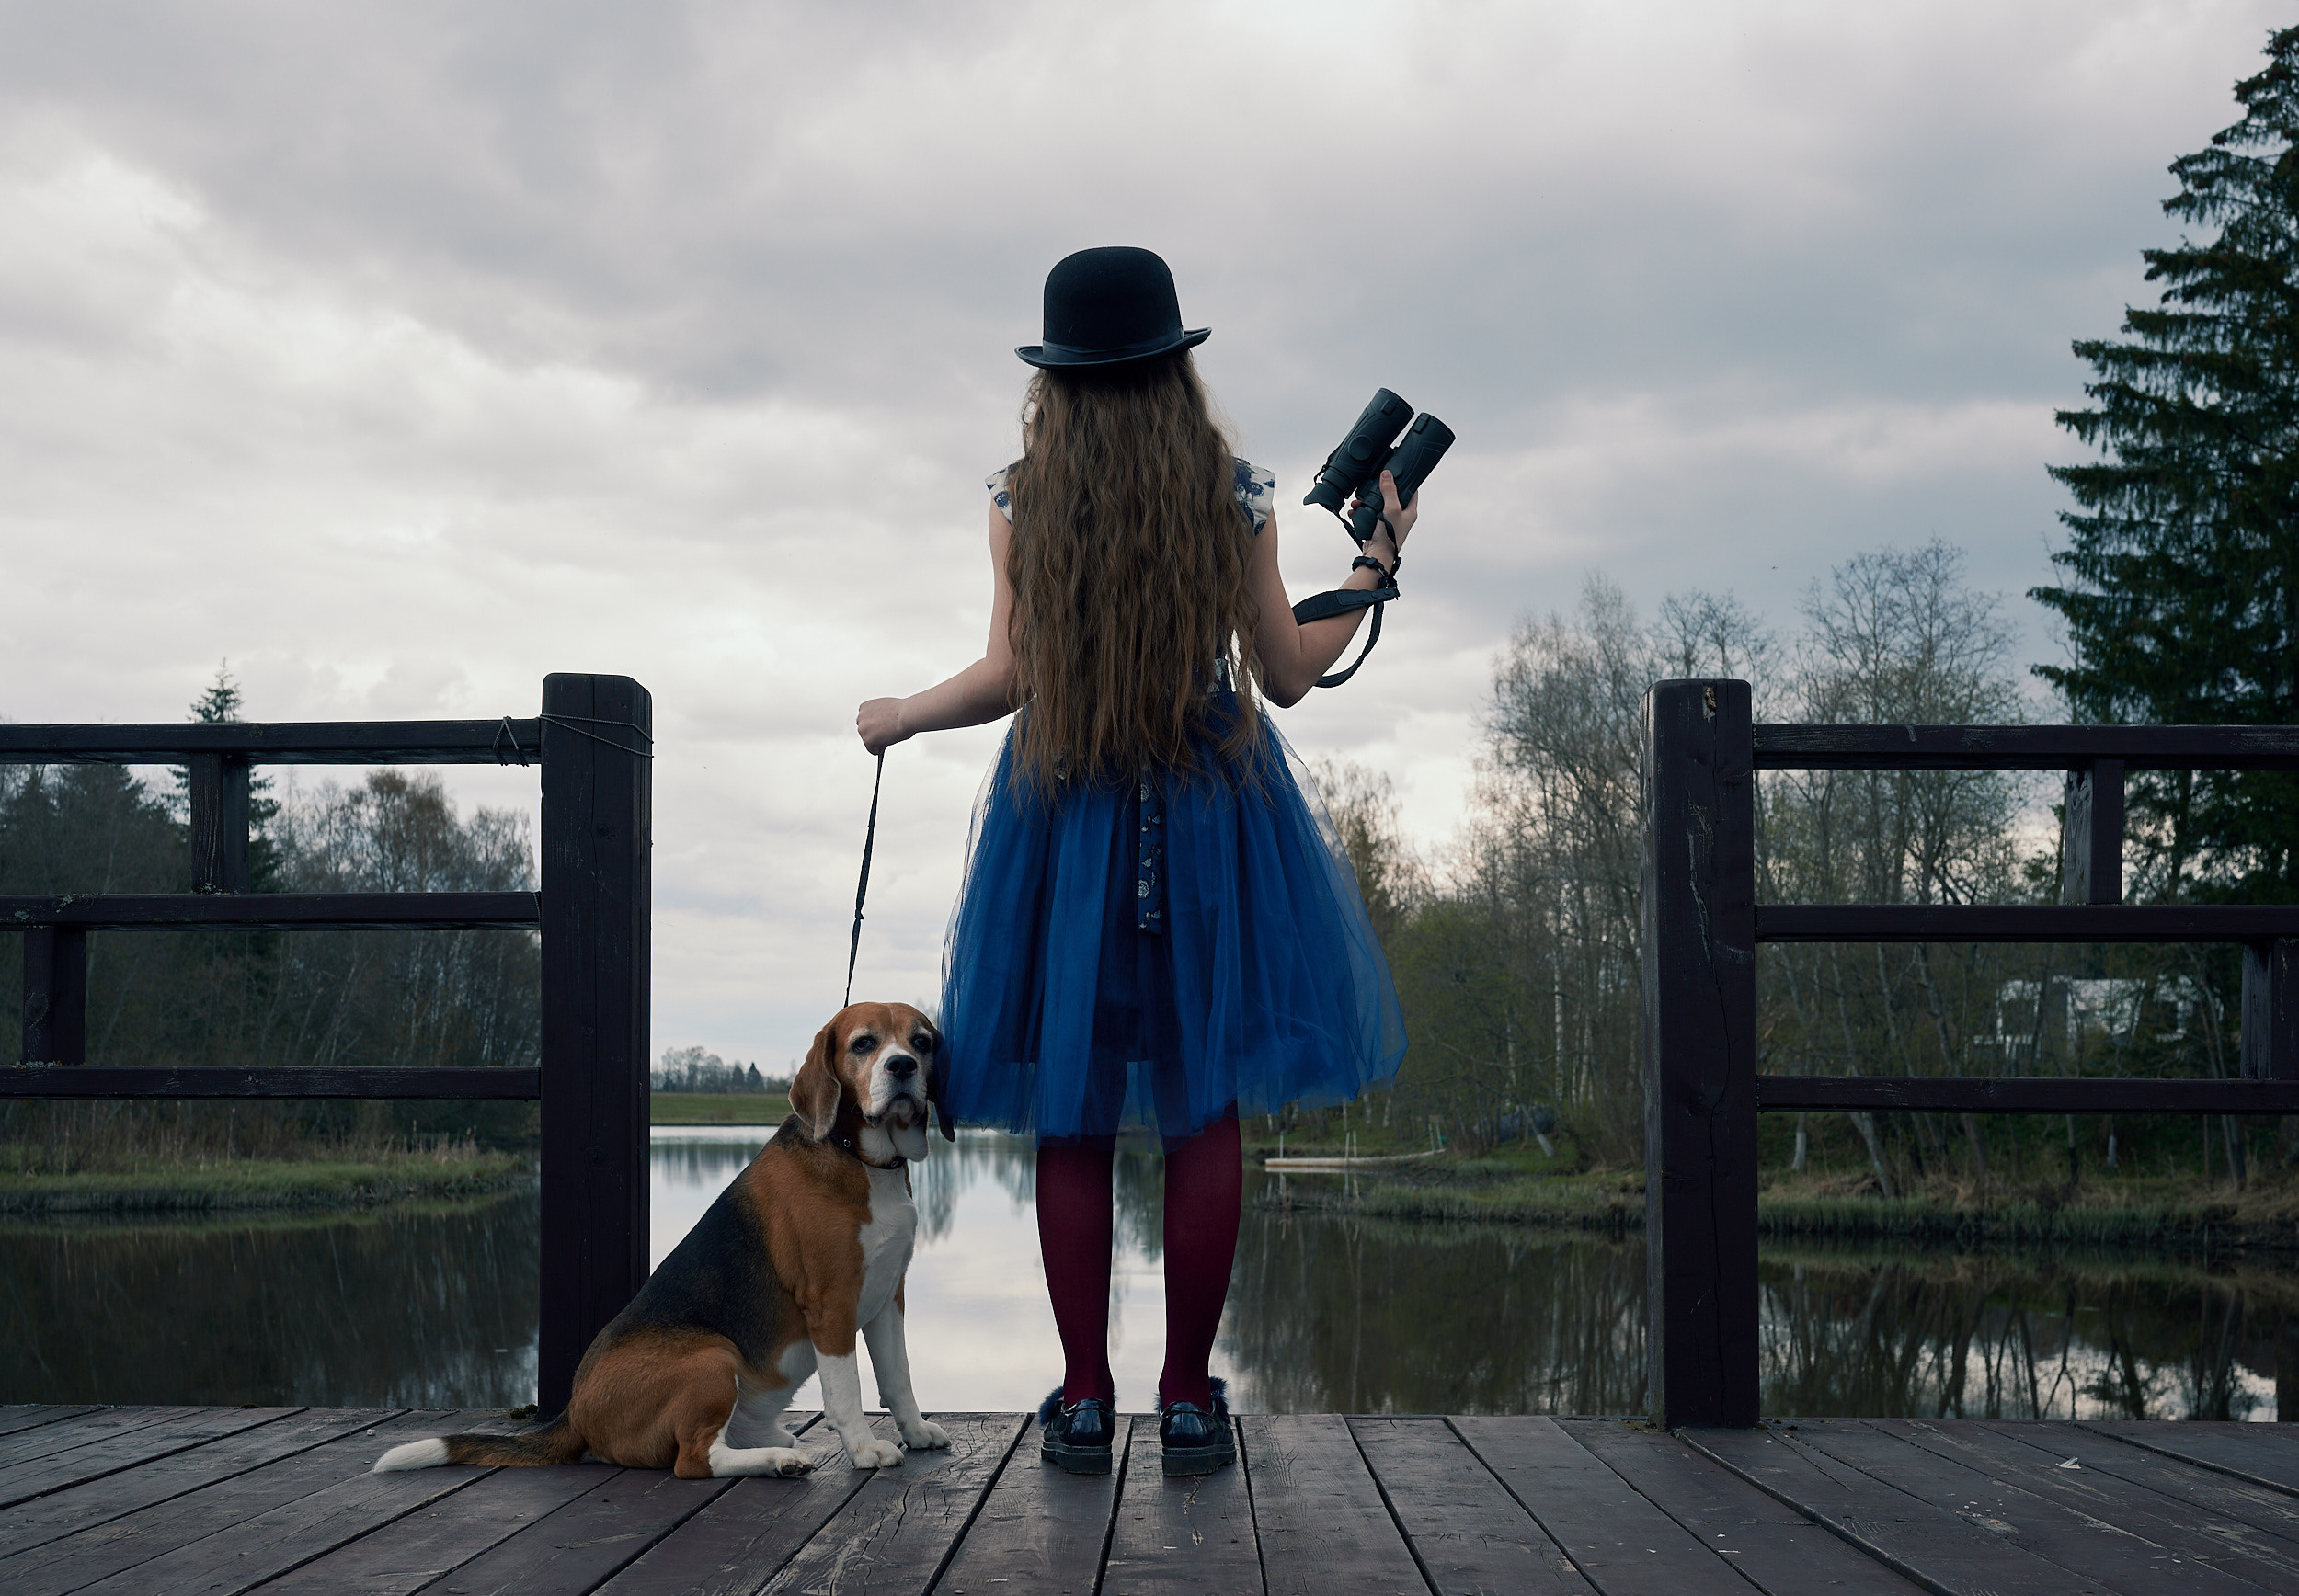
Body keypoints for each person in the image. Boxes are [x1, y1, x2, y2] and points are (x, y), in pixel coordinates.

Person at [855, 245, 1410, 1477]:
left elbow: (1011, 677)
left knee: (1076, 1112)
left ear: (1056, 376)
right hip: (1215, 813)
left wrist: (903, 710)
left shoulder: (1019, 498)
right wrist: (1373, 567)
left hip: (1066, 812)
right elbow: (1280, 670)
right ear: (1173, 369)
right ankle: (1190, 1401)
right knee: (1203, 1107)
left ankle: (1085, 1399)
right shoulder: (1237, 490)